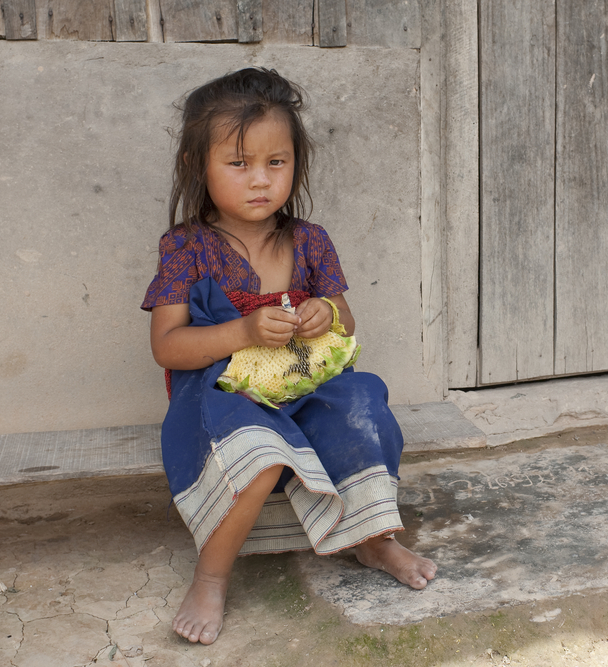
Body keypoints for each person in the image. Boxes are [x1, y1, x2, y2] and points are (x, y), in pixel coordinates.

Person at [141, 67, 436, 645]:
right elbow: (168, 347)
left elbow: (346, 324)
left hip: (305, 382)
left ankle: (373, 540)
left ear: (295, 165)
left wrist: (326, 312)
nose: (260, 181)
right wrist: (242, 331)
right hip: (223, 392)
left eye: (276, 163)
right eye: (239, 164)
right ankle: (212, 574)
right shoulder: (186, 248)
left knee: (362, 406)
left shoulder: (310, 241)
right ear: (196, 167)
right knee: (258, 450)